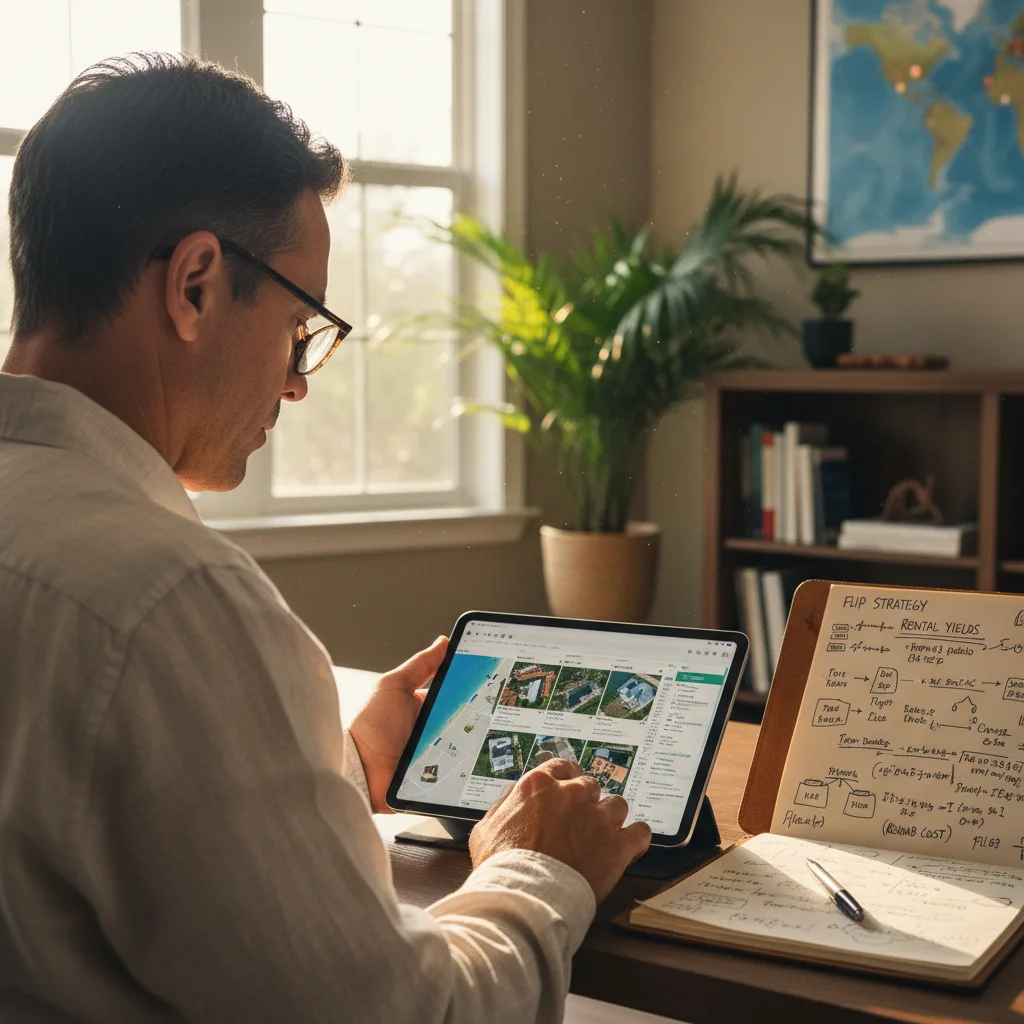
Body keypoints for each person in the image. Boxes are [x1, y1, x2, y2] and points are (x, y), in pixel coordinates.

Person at [0, 54, 651, 1023]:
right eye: (301, 326)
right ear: (194, 285)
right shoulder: (168, 600)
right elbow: (403, 1013)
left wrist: (335, 765)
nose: (298, 382)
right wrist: (538, 868)